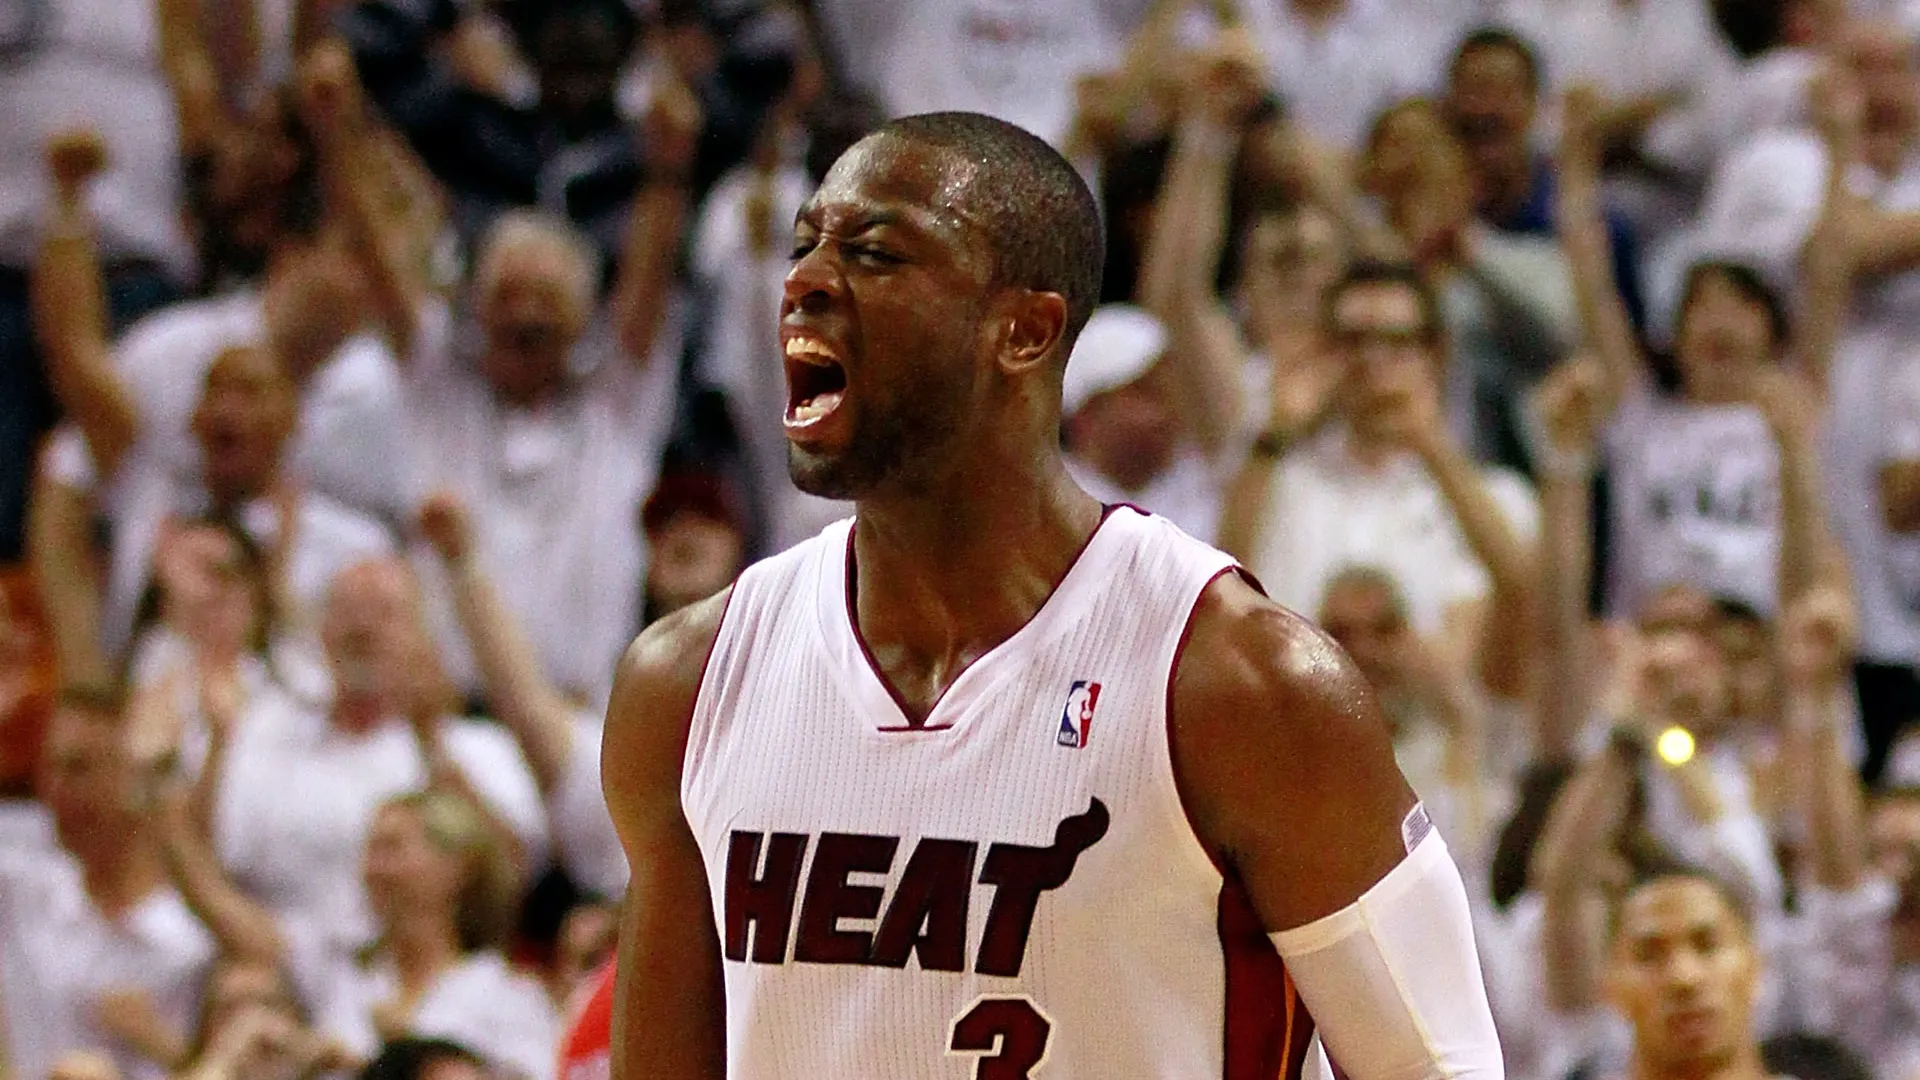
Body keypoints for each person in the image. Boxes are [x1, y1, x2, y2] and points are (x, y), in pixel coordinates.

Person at [602, 111, 1502, 1078]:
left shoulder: (1244, 683)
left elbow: (1438, 1068)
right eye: (803, 246)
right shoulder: (688, 683)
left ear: (1024, 331)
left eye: (874, 254)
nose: (806, 284)